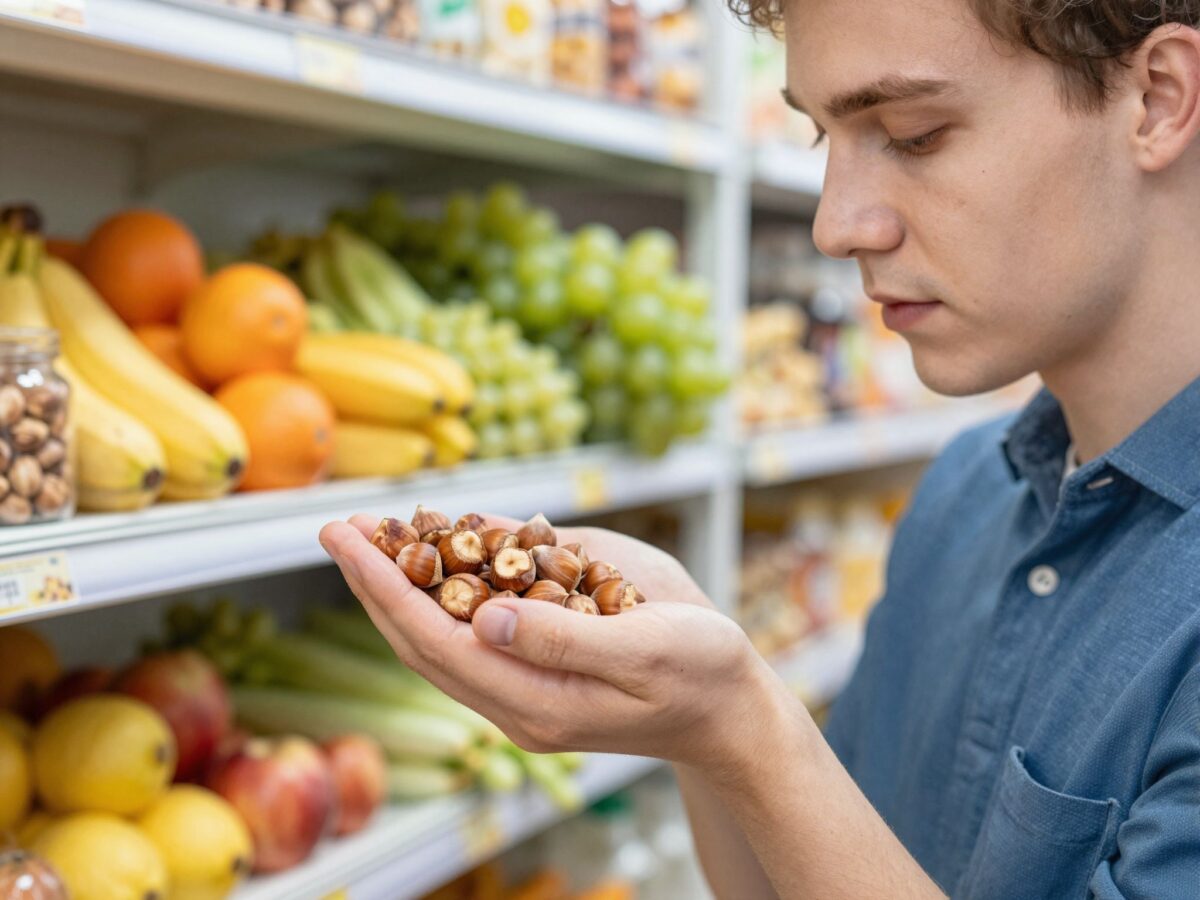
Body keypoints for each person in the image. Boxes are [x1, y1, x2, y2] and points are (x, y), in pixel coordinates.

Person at [319, 0, 1200, 895]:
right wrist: (707, 731)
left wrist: (750, 724)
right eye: (824, 139)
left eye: (915, 133)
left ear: (1158, 99)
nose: (836, 225)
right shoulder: (965, 497)